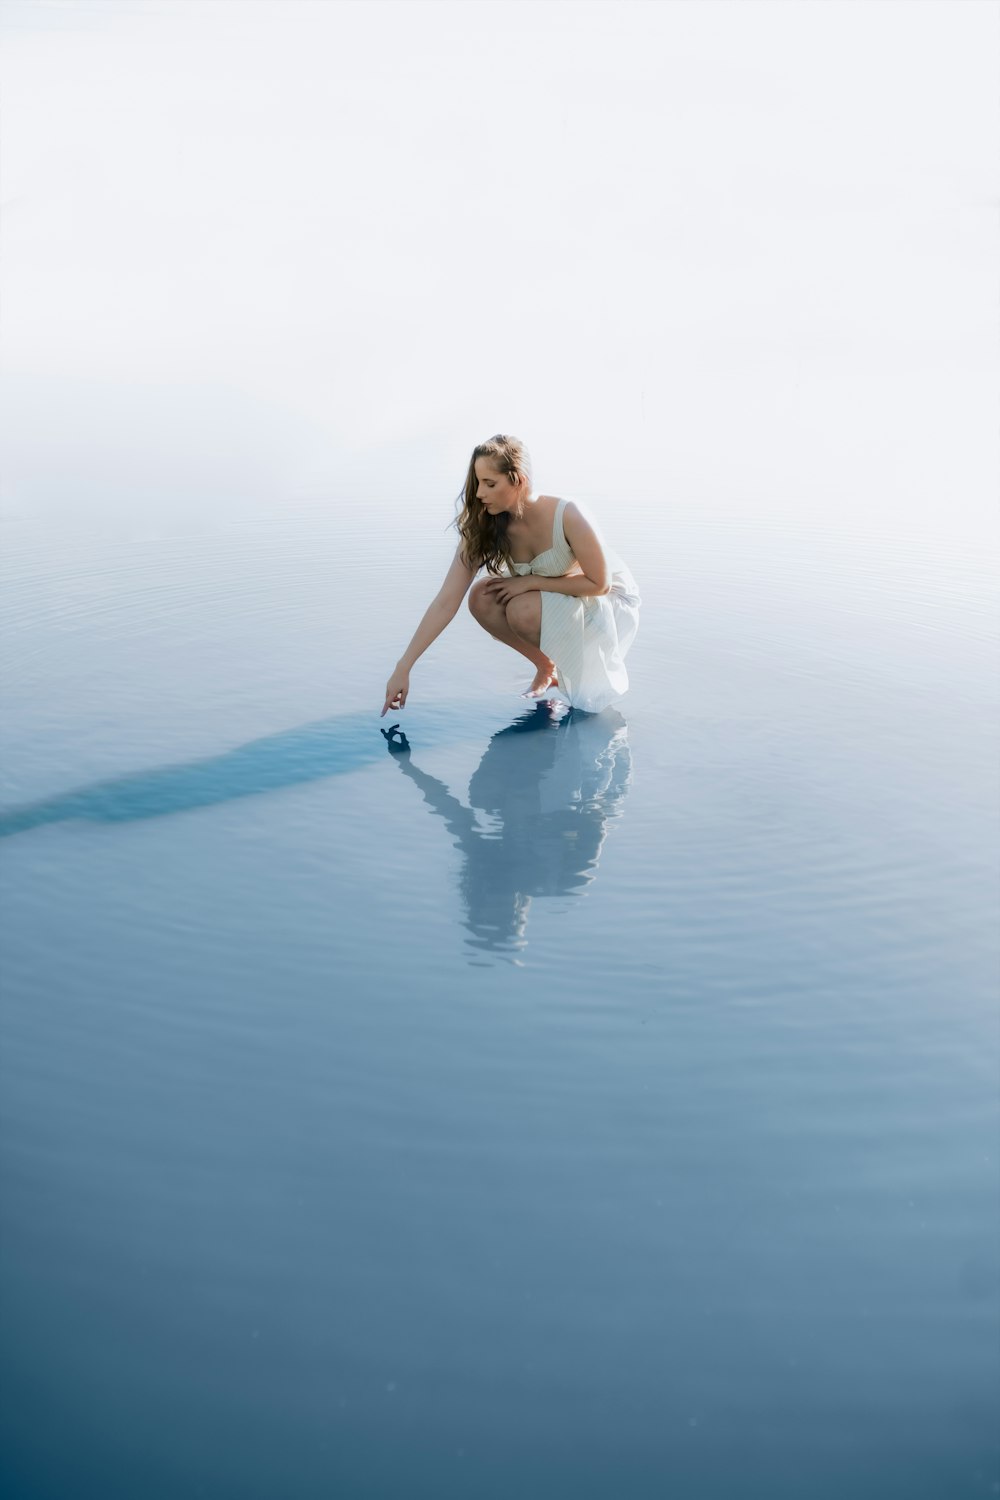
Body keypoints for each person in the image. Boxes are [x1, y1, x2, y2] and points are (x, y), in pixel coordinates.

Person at [381, 433, 640, 717]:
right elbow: (446, 601)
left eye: (490, 484)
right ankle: (545, 666)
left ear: (518, 480)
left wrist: (530, 581)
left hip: (605, 601)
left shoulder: (568, 514)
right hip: (555, 597)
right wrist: (403, 667)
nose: (479, 493)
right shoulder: (487, 524)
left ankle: (568, 670)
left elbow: (599, 583)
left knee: (521, 609)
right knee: (482, 596)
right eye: (478, 483)